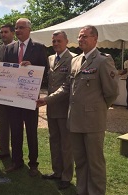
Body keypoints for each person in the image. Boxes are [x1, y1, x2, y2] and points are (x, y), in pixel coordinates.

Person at [37, 25, 119, 194]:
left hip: (93, 121)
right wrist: (47, 99)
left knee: (95, 162)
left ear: (95, 39)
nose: (81, 39)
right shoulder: (75, 60)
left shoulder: (103, 60)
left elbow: (112, 93)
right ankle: (82, 190)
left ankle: (95, 192)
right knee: (81, 161)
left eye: (85, 37)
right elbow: (67, 87)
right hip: (74, 119)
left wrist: (97, 109)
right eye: (80, 37)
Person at [3, 18, 48, 177]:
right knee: (15, 131)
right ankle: (16, 162)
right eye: (16, 28)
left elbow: (46, 72)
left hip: (30, 98)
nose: (18, 30)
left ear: (29, 29)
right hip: (13, 98)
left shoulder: (39, 48)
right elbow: (5, 71)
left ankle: (33, 164)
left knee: (31, 132)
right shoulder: (9, 49)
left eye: (21, 27)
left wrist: (33, 69)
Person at [41, 30, 75, 190]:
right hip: (52, 109)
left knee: (66, 144)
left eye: (58, 41)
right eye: (53, 41)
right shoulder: (50, 58)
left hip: (64, 108)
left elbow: (66, 87)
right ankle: (57, 172)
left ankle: (66, 176)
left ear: (66, 41)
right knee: (54, 141)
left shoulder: (73, 59)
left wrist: (46, 100)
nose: (55, 44)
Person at [0, 24, 15, 160]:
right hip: (1, 92)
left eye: (6, 32)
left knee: (16, 123)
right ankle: (4, 151)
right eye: (1, 32)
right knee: (3, 123)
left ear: (13, 33)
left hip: (15, 91)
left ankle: (16, 151)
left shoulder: (19, 47)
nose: (3, 34)